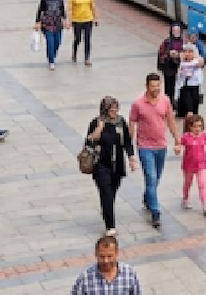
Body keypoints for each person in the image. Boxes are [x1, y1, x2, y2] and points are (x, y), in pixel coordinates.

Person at [130, 72, 181, 229]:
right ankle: (155, 212)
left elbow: (171, 120)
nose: (156, 89)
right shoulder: (138, 104)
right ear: (146, 86)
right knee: (151, 177)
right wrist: (128, 148)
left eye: (158, 86)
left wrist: (177, 139)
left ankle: (148, 197)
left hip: (161, 146)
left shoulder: (165, 100)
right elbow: (131, 123)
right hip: (145, 147)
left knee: (155, 178)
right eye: (153, 86)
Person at [86, 96, 137, 236]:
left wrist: (132, 158)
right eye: (111, 108)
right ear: (105, 109)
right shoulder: (96, 122)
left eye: (116, 107)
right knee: (106, 192)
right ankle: (110, 226)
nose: (114, 110)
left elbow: (127, 141)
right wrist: (99, 128)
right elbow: (89, 141)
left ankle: (106, 211)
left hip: (117, 165)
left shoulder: (120, 122)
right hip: (101, 165)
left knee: (111, 193)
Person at [70, 236, 141, 295]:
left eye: (109, 256)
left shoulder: (129, 273)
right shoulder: (85, 278)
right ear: (96, 254)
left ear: (117, 253)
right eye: (102, 256)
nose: (105, 261)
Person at [33, 0, 67, 69]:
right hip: (47, 25)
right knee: (50, 43)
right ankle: (51, 61)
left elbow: (62, 10)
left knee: (57, 42)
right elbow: (40, 11)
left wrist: (65, 20)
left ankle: (53, 55)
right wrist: (37, 22)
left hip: (58, 24)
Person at [69, 0, 99, 66]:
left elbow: (92, 6)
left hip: (88, 20)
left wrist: (95, 18)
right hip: (77, 20)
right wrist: (69, 20)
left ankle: (87, 58)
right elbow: (70, 9)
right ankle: (74, 52)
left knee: (87, 39)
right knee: (78, 39)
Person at [156, 24, 185, 105]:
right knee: (169, 86)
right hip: (169, 67)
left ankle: (176, 103)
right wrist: (169, 53)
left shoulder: (183, 42)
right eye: (174, 30)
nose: (176, 32)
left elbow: (186, 53)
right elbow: (161, 52)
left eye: (178, 30)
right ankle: (168, 102)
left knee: (178, 86)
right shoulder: (167, 41)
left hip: (179, 67)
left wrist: (179, 55)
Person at [173, 46, 205, 117]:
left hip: (195, 86)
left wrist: (200, 59)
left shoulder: (196, 62)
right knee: (189, 107)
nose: (187, 54)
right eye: (185, 51)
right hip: (185, 86)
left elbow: (201, 63)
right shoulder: (181, 62)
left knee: (194, 104)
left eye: (190, 52)